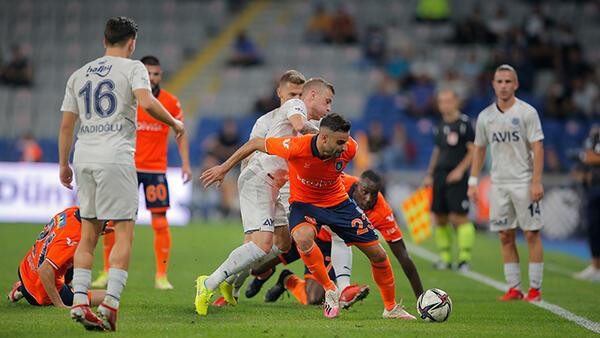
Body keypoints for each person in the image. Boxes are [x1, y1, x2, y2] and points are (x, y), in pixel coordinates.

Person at [201, 113, 415, 320]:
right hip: (305, 205)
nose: (344, 147)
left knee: (378, 255)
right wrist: (223, 168)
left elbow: (343, 153)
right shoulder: (297, 146)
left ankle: (390, 307)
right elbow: (256, 143)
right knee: (302, 239)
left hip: (338, 203)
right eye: (339, 142)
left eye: (345, 141)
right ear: (323, 138)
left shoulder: (350, 148)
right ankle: (331, 291)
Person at [58, 17, 184, 331]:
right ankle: (111, 303)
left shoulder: (78, 74)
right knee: (124, 230)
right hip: (115, 158)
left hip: (83, 156)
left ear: (104, 40)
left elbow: (66, 125)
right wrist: (175, 123)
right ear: (132, 43)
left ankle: (80, 301)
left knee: (89, 233)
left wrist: (64, 164)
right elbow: (147, 102)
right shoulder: (133, 68)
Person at [194, 75, 330, 316]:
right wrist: (225, 169)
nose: (329, 108)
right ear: (310, 96)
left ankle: (231, 283)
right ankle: (209, 283)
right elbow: (292, 129)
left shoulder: (313, 125)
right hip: (259, 178)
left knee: (283, 243)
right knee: (260, 244)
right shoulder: (296, 108)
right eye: (327, 102)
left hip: (278, 184)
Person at [92, 55, 191, 290]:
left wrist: (186, 162)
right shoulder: (128, 99)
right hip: (127, 168)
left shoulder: (171, 102)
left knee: (160, 222)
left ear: (161, 76)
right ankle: (107, 271)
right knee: (115, 221)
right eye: (148, 74)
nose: (152, 78)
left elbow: (181, 132)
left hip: (156, 169)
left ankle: (161, 276)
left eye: (156, 74)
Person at [252, 170, 424, 305]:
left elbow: (403, 256)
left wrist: (420, 298)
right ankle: (262, 274)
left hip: (329, 246)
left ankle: (288, 280)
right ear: (357, 186)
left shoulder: (383, 212)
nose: (368, 198)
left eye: (374, 194)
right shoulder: (341, 182)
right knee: (257, 267)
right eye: (365, 192)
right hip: (309, 232)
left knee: (314, 298)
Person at [468, 64, 545, 302]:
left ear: (516, 84)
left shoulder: (527, 113)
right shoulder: (485, 116)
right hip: (498, 183)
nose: (503, 86)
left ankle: (535, 289)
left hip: (523, 180)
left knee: (531, 233)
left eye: (508, 81)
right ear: (493, 85)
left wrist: (536, 182)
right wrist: (473, 180)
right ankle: (514, 288)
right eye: (499, 81)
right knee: (504, 234)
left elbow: (538, 147)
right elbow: (479, 150)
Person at [8, 207, 108, 308]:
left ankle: (23, 287)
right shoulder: (73, 239)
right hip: (40, 290)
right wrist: (59, 304)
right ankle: (51, 293)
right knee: (107, 297)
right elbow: (44, 270)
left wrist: (98, 230)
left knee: (74, 257)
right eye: (105, 221)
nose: (107, 224)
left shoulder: (72, 211)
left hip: (27, 269)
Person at [424, 89, 476, 271]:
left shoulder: (465, 124)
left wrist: (460, 171)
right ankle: (445, 258)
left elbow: (473, 151)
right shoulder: (439, 125)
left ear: (456, 102)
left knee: (458, 217)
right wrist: (430, 174)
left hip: (457, 176)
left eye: (448, 100)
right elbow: (438, 151)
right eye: (441, 101)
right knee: (440, 217)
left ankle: (464, 259)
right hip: (440, 175)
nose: (444, 104)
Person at [573, 125, 600, 282]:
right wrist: (582, 174)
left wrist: (587, 157)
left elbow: (589, 157)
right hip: (594, 189)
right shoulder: (593, 139)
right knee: (593, 227)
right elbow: (585, 162)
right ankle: (595, 265)